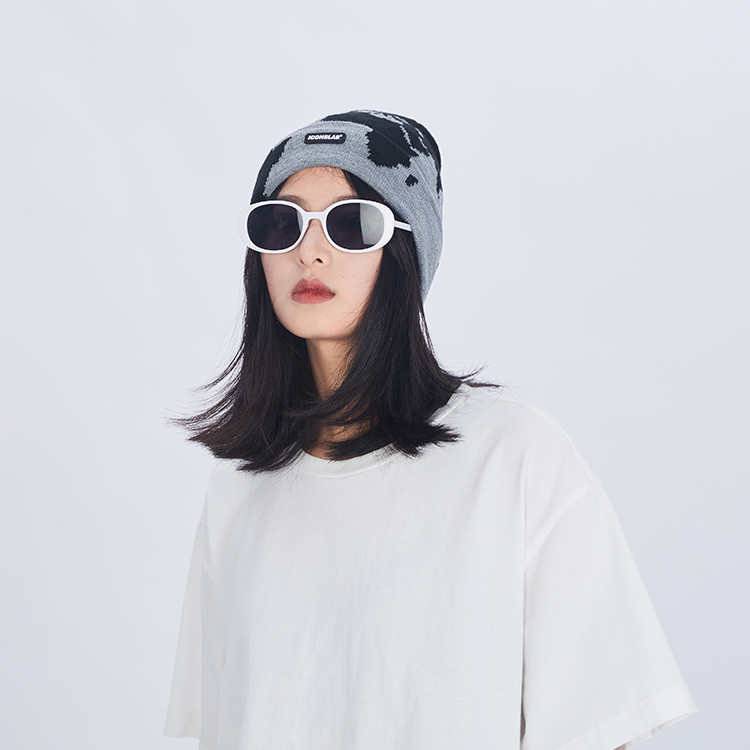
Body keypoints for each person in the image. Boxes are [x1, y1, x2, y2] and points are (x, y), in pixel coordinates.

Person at [164, 110, 696, 750]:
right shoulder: (239, 489)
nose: (310, 251)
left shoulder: (514, 459)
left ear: (406, 253)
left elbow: (597, 728)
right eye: (282, 223)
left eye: (351, 223)